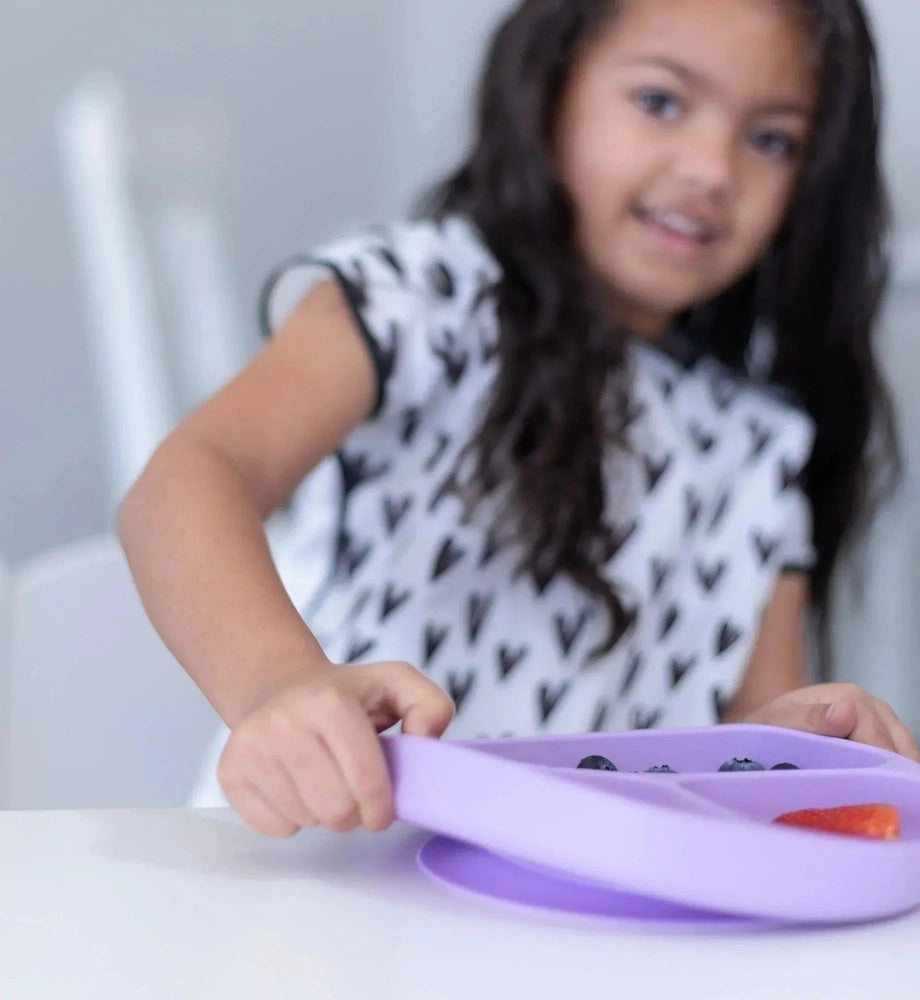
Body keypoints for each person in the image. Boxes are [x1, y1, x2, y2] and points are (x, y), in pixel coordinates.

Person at [118, 0, 919, 838]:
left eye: (772, 140)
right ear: (548, 88)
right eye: (660, 101)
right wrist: (279, 684)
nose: (713, 169)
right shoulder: (420, 299)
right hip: (323, 868)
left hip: (563, 913)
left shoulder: (759, 447)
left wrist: (796, 745)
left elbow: (749, 746)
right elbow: (186, 481)